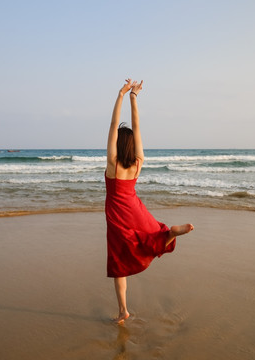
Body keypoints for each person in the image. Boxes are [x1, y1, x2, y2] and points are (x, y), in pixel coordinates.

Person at [105, 79, 194, 324]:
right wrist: (133, 97)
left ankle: (123, 310)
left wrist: (120, 95)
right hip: (135, 208)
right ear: (132, 146)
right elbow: (137, 127)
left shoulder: (112, 163)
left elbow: (114, 125)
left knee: (119, 262)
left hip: (116, 215)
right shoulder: (137, 163)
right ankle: (167, 235)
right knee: (150, 235)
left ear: (117, 144)